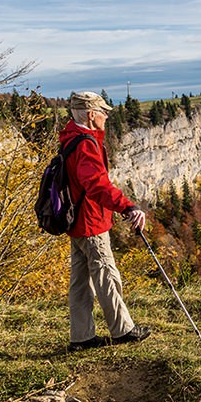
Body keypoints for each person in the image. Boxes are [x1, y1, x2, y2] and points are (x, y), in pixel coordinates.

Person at [60, 91, 150, 351]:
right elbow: (96, 185)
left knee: (80, 282)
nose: (107, 115)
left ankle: (81, 337)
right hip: (90, 222)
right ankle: (123, 330)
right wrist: (128, 207)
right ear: (90, 114)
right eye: (103, 111)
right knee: (106, 274)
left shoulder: (70, 138)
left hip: (75, 221)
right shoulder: (86, 143)